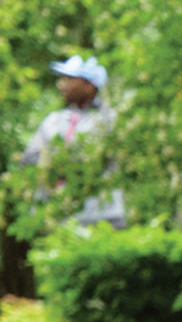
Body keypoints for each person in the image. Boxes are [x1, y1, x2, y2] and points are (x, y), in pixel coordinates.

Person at [17, 55, 125, 228]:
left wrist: (63, 163)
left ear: (89, 86)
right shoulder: (54, 121)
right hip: (58, 219)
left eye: (69, 79)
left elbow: (98, 161)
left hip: (102, 217)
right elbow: (29, 158)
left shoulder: (109, 120)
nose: (61, 85)